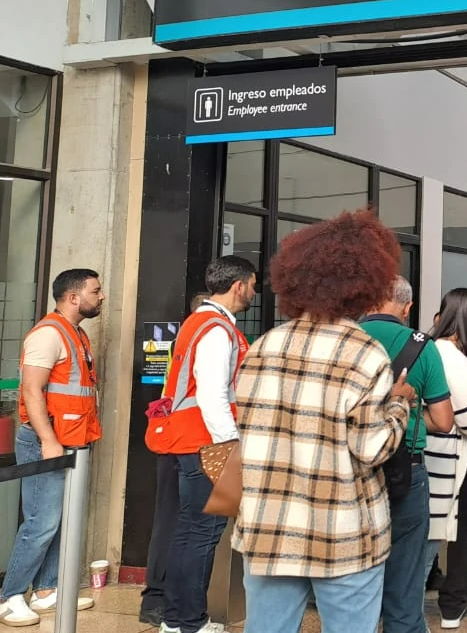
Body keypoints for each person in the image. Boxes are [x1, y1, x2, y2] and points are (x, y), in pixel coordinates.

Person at [233, 210, 417, 633]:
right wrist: (398, 407)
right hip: (343, 531)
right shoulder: (364, 351)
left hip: (268, 523)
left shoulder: (263, 346)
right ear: (366, 285)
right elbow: (371, 448)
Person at [151, 257, 257, 633]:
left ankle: (176, 620)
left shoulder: (199, 322)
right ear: (239, 286)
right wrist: (231, 448)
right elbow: (212, 395)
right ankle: (190, 623)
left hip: (190, 442)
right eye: (252, 284)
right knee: (202, 535)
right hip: (207, 444)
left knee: (188, 532)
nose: (254, 291)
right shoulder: (216, 329)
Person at [0, 269, 104, 627]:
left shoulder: (76, 333)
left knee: (59, 518)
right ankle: (9, 596)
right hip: (47, 439)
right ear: (74, 297)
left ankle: (46, 590)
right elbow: (31, 391)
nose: (101, 296)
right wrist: (48, 441)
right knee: (41, 522)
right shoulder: (48, 334)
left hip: (71, 437)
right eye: (96, 290)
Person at [361, 276, 454, 633]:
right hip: (406, 472)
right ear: (408, 307)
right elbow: (444, 421)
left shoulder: (345, 339)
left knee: (354, 584)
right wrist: (408, 411)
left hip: (350, 469)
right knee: (405, 585)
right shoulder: (422, 346)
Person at [141, 291, 213, 626]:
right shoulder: (202, 339)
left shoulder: (178, 342)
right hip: (187, 441)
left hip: (171, 436)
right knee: (185, 524)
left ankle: (161, 602)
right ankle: (165, 603)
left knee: (172, 520)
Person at [427, 288, 467, 629]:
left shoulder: (424, 347)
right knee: (443, 537)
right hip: (447, 462)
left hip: (418, 456)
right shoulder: (456, 359)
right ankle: (449, 611)